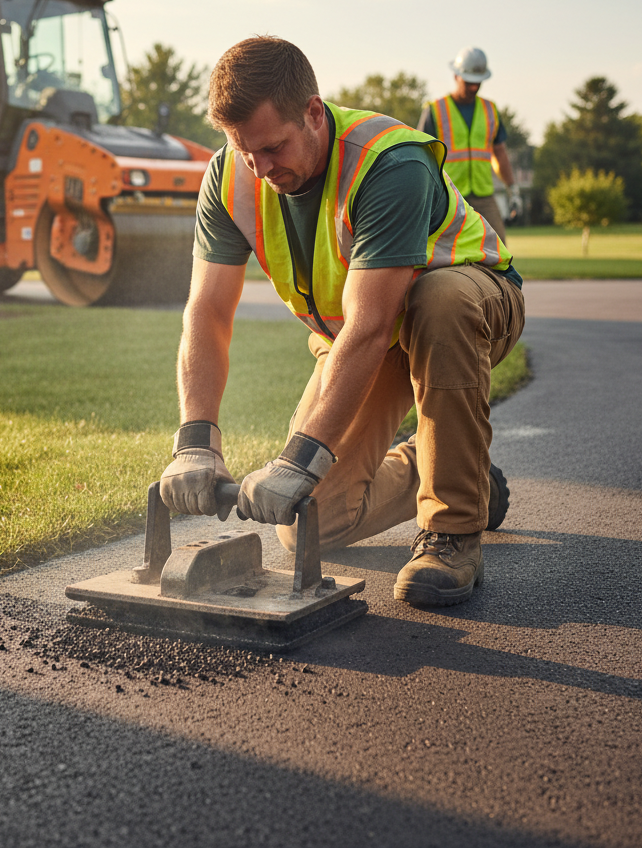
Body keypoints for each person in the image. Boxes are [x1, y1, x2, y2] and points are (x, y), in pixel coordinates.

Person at [159, 37, 525, 607]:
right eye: (243, 148)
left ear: (312, 112)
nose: (261, 168)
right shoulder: (233, 177)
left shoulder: (389, 162)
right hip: (359, 335)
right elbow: (206, 312)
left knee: (438, 300)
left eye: (274, 147)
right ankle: (458, 472)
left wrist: (298, 458)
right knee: (314, 520)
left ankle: (452, 532)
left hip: (469, 303)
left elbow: (374, 324)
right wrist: (196, 443)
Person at [417, 47, 521, 243]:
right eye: (469, 82)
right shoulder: (435, 110)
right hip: (448, 195)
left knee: (499, 249)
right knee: (439, 248)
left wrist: (513, 190)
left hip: (483, 194)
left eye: (478, 82)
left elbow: (499, 153)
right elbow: (421, 156)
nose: (474, 87)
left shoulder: (490, 110)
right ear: (456, 76)